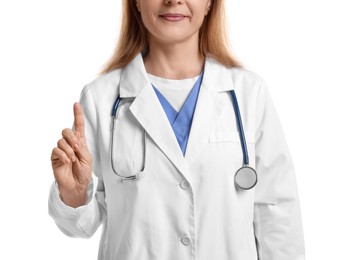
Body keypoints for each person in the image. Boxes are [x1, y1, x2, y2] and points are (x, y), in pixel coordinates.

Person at [48, 0, 306, 259]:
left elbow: (277, 213)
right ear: (136, 3)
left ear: (209, 4)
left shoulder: (249, 93)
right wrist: (74, 193)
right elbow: (81, 226)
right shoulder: (100, 98)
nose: (173, 0)